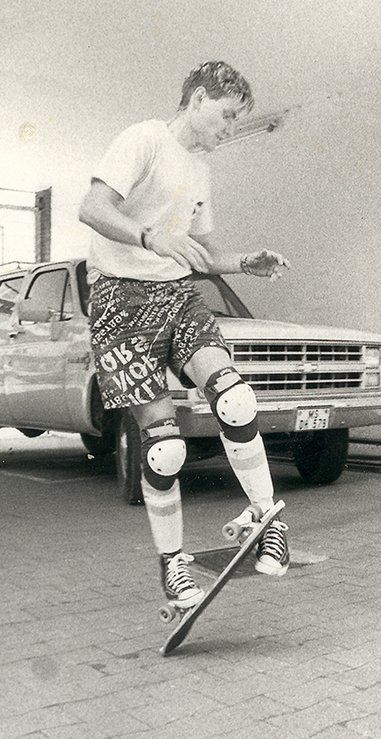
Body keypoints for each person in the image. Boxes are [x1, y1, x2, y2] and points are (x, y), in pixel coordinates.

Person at [78, 61, 293, 612]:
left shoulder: (199, 171)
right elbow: (92, 208)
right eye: (225, 116)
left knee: (235, 395)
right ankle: (173, 569)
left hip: (176, 297)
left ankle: (266, 518)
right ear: (197, 100)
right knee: (167, 448)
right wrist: (151, 237)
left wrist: (245, 262)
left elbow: (201, 253)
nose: (228, 130)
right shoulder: (143, 139)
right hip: (119, 302)